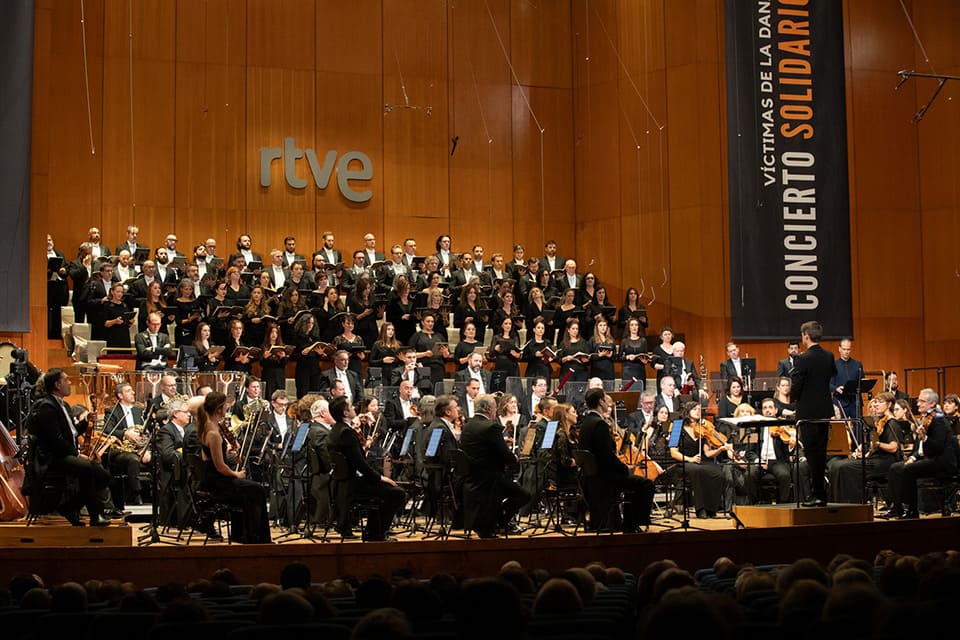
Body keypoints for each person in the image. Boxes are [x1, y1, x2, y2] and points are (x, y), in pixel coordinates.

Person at [28, 369, 111, 527]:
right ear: (57, 385)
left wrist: (86, 422)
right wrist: (77, 455)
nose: (69, 383)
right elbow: (55, 440)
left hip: (64, 454)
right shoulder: (46, 406)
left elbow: (71, 433)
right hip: (51, 458)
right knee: (86, 468)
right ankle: (95, 516)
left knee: (102, 474)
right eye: (66, 380)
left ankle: (69, 507)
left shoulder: (63, 404)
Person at [193, 391, 271, 543]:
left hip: (211, 479)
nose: (227, 409)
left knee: (251, 489)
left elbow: (209, 456)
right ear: (219, 408)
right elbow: (220, 467)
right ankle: (254, 537)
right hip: (217, 482)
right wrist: (237, 474)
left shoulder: (206, 426)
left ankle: (242, 534)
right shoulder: (213, 433)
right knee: (257, 490)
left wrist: (226, 450)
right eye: (225, 406)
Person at [327, 396, 404, 541]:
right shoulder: (347, 433)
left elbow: (354, 456)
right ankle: (376, 533)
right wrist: (380, 478)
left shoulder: (335, 430)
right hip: (354, 485)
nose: (354, 408)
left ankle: (372, 531)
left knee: (386, 491)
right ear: (345, 413)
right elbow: (360, 464)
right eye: (350, 407)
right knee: (397, 493)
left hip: (343, 483)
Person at [577, 388, 654, 532]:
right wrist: (626, 469)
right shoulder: (599, 424)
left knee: (633, 484)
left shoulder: (586, 422)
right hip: (604, 478)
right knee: (646, 484)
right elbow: (607, 457)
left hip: (591, 477)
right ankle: (633, 524)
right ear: (600, 402)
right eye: (606, 399)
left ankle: (629, 523)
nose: (609, 404)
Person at [460, 394, 532, 538]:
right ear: (488, 409)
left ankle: (498, 521)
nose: (495, 411)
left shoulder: (468, 425)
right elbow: (506, 455)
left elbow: (483, 447)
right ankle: (500, 521)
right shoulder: (491, 426)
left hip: (473, 477)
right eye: (494, 407)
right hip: (491, 478)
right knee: (524, 495)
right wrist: (515, 460)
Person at [883, 388, 959, 519]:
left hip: (941, 462)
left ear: (932, 404)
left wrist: (925, 438)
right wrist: (913, 457)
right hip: (928, 458)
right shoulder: (925, 419)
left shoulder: (939, 420)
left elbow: (938, 447)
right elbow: (920, 448)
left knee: (909, 470)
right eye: (918, 400)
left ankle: (912, 509)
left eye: (922, 401)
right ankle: (897, 507)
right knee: (895, 468)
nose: (918, 404)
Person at [790, 320, 837, 507]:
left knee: (811, 454)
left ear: (806, 336)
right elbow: (832, 374)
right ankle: (820, 495)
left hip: (808, 412)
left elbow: (797, 385)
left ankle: (817, 494)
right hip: (825, 410)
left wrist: (794, 398)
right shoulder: (829, 355)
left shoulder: (803, 358)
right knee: (821, 452)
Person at [829, 393, 902, 504]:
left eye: (880, 402)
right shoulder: (879, 422)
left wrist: (877, 443)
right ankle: (836, 503)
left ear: (889, 404)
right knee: (837, 465)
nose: (876, 405)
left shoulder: (892, 423)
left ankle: (852, 505)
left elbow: (893, 447)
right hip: (875, 459)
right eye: (876, 402)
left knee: (844, 467)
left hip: (885, 461)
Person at [668, 401, 724, 519]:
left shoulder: (703, 428)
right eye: (694, 409)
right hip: (683, 462)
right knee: (697, 471)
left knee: (717, 472)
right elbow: (673, 453)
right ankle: (700, 509)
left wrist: (721, 449)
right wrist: (690, 459)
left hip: (701, 461)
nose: (698, 411)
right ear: (687, 412)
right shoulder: (677, 426)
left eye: (699, 409)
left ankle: (711, 508)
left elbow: (708, 453)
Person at [757, 397, 809, 504]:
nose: (767, 410)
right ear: (762, 411)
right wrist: (758, 460)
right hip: (761, 461)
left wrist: (791, 445)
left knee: (784, 475)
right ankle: (755, 503)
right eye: (765, 408)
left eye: (770, 407)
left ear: (776, 410)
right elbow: (751, 449)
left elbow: (789, 449)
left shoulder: (783, 425)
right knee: (751, 474)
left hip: (777, 461)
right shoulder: (757, 427)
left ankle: (784, 504)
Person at [830, 338, 864, 419]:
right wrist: (836, 388)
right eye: (844, 349)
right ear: (839, 349)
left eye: (848, 349)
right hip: (840, 402)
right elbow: (828, 383)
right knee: (841, 429)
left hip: (855, 402)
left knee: (858, 428)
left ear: (851, 349)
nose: (846, 352)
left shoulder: (857, 364)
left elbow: (862, 381)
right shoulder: (833, 365)